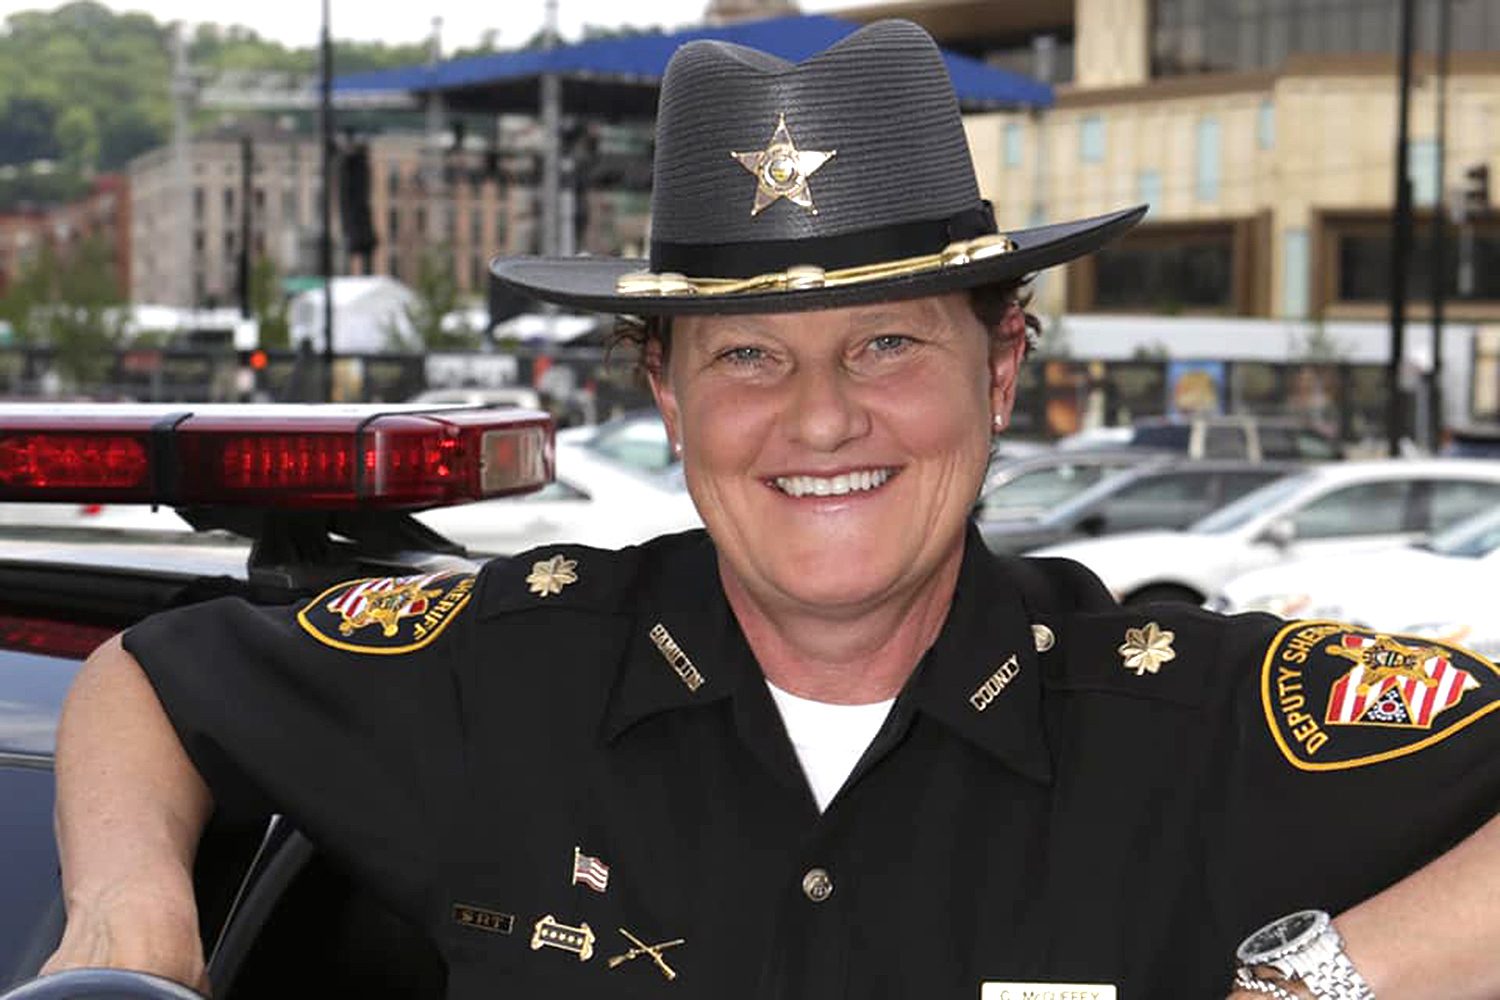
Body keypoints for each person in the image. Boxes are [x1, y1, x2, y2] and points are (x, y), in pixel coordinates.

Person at [45, 19, 1499, 1000]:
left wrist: (1313, 984)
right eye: (747, 354)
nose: (818, 420)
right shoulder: (510, 672)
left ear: (1002, 370)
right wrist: (127, 936)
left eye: (888, 344)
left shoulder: (1188, 727)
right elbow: (145, 682)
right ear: (666, 393)